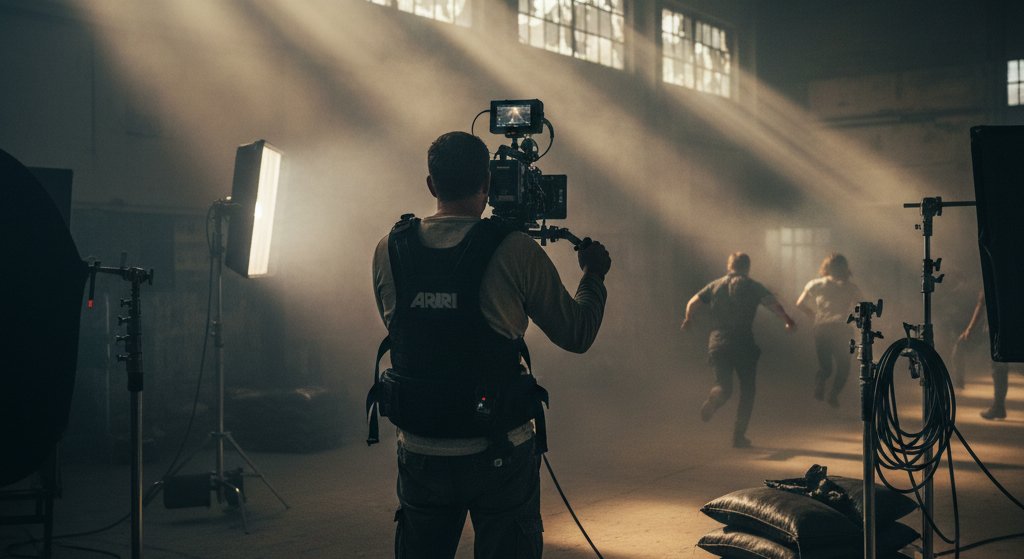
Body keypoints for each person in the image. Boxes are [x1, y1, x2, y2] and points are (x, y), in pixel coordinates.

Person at [368, 131, 611, 558]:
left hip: (420, 449)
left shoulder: (389, 248)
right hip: (498, 450)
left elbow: (404, 329)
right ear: (488, 184)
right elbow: (577, 333)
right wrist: (593, 276)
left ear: (430, 184)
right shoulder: (515, 250)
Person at [682, 252, 797, 448]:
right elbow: (773, 305)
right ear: (747, 267)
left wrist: (688, 319)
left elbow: (693, 302)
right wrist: (788, 320)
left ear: (729, 266)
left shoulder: (715, 285)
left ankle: (716, 395)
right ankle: (738, 436)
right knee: (747, 391)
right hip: (743, 342)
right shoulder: (752, 286)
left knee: (724, 386)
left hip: (717, 342)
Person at [795, 253, 862, 407]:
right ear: (844, 268)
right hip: (842, 328)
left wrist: (813, 315)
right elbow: (862, 306)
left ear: (826, 267)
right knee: (844, 366)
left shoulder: (815, 284)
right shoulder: (851, 287)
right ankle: (833, 394)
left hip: (822, 327)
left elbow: (799, 303)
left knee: (825, 367)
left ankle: (820, 382)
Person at [957, 289, 1010, 420]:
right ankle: (999, 406)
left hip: (997, 328)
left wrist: (970, 329)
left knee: (998, 367)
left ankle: (999, 407)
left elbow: (981, 305)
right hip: (1007, 326)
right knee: (1000, 367)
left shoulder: (993, 274)